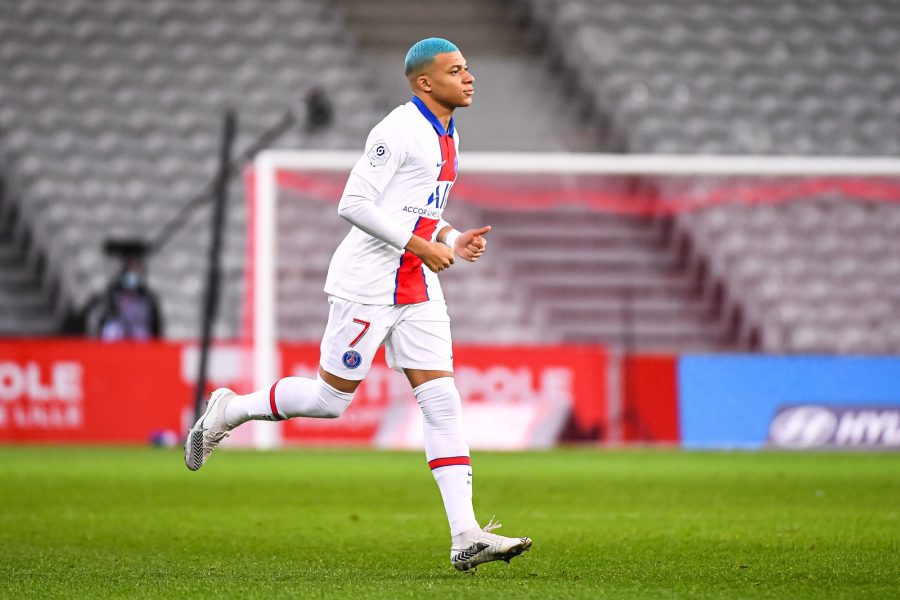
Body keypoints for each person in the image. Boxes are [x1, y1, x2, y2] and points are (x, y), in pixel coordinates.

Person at [185, 38, 532, 571]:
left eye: (467, 68)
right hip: (368, 283)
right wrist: (420, 245)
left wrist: (452, 236)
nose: (469, 78)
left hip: (416, 286)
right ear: (424, 83)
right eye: (456, 70)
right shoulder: (397, 131)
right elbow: (354, 203)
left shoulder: (448, 133)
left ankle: (465, 533)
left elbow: (416, 208)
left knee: (441, 401)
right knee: (330, 401)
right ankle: (229, 410)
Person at [82, 240, 163, 340]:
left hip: (140, 348)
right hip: (112, 347)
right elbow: (95, 323)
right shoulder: (109, 296)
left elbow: (156, 330)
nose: (133, 274)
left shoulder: (148, 299)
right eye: (131, 267)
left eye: (137, 268)